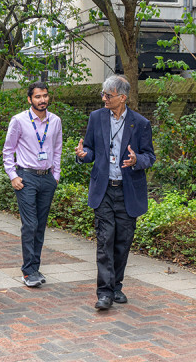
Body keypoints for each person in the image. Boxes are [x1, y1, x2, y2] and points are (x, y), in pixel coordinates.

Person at [75, 75, 156, 310]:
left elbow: (149, 156)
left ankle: (116, 285)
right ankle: (104, 292)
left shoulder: (140, 123)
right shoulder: (97, 117)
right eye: (103, 94)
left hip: (128, 192)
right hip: (104, 190)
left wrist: (136, 159)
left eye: (108, 95)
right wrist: (82, 155)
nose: (104, 99)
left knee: (122, 242)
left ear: (122, 97)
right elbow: (90, 150)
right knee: (104, 240)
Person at [3, 82, 62, 287]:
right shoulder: (19, 120)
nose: (42, 100)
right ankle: (28, 272)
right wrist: (13, 175)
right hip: (26, 178)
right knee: (30, 225)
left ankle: (35, 268)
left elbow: (58, 149)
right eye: (38, 97)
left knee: (40, 225)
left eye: (45, 96)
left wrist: (56, 175)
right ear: (30, 99)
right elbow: (8, 150)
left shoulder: (55, 121)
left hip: (47, 178)